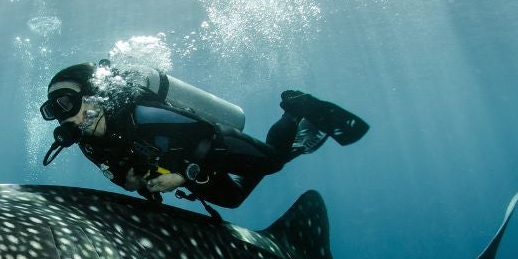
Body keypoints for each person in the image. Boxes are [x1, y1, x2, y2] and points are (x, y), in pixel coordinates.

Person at [39, 60, 368, 210]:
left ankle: (294, 110)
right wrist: (135, 181)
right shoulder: (89, 144)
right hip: (181, 167)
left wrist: (181, 176)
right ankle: (293, 138)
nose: (65, 117)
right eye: (55, 111)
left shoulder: (140, 113)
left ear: (94, 94)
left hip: (210, 145)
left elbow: (203, 131)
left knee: (272, 162)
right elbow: (120, 176)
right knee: (233, 200)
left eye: (67, 103)